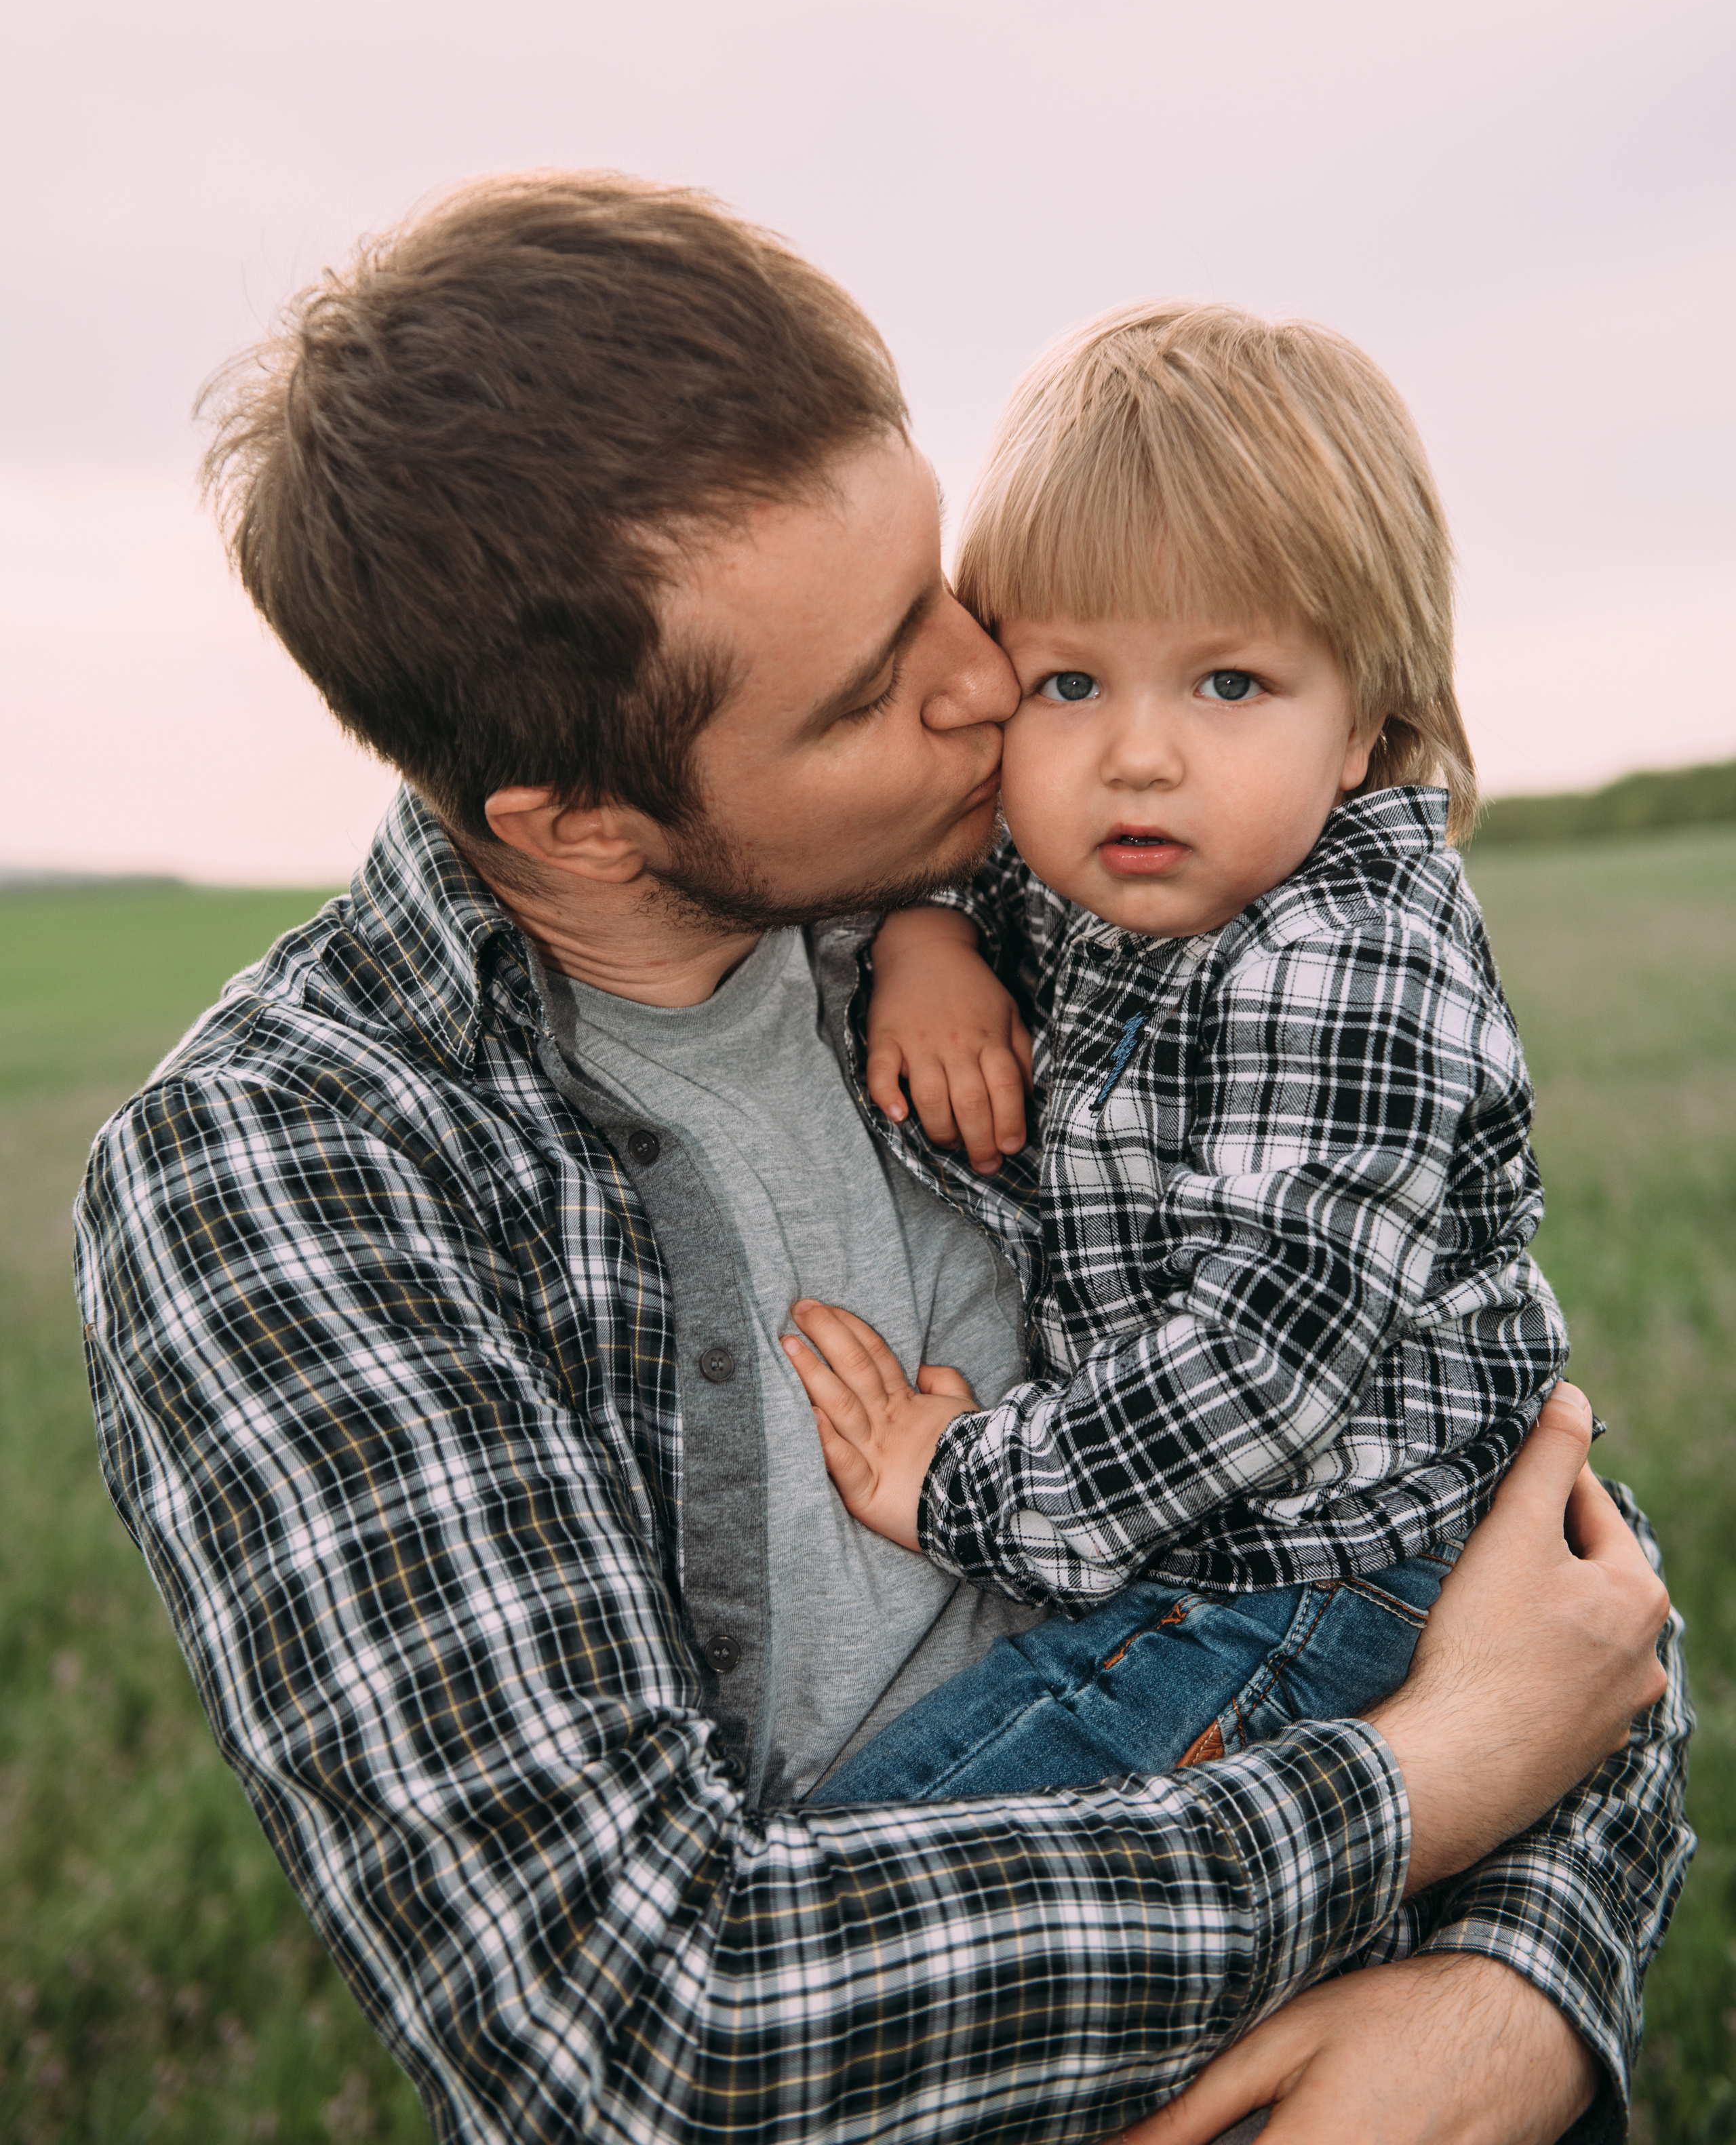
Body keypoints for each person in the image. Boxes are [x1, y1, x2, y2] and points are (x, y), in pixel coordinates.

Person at [73, 174, 1686, 2145]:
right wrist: (1430, 1788)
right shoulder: (288, 1172)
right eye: (866, 693)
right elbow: (649, 2032)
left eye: (947, 588)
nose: (989, 684)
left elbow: (1529, 1538)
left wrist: (1520, 1985)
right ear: (579, 823)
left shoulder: (1066, 906)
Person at [787, 300, 1571, 1809]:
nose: (1135, 754)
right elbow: (972, 872)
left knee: (881, 1860)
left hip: (1329, 1585)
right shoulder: (1128, 869)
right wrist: (924, 938)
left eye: (1228, 685)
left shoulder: (1342, 959)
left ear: (1362, 722)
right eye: (1067, 683)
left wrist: (957, 1488)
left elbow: (1254, 1374)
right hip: (1198, 1546)